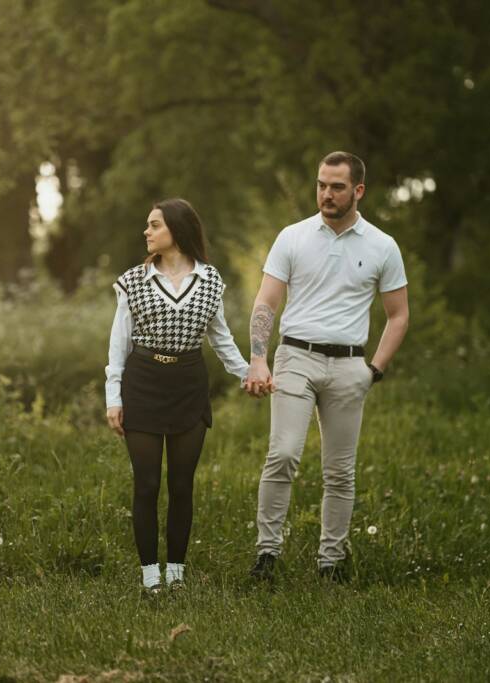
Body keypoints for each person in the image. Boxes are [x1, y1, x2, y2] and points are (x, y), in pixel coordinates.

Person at [245, 151, 409, 582]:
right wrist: (259, 358)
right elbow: (266, 302)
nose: (326, 194)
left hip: (349, 366)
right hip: (295, 356)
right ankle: (267, 556)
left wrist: (374, 369)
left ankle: (331, 562)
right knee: (282, 454)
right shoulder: (293, 237)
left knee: (340, 471)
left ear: (358, 191)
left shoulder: (382, 246)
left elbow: (399, 314)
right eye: (321, 184)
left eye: (336, 186)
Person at [105, 198, 249, 594]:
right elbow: (118, 344)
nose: (146, 232)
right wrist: (112, 397)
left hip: (188, 385)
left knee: (182, 484)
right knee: (147, 484)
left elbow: (221, 339)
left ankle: (177, 572)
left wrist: (247, 375)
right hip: (143, 383)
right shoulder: (133, 281)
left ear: (176, 229)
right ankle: (150, 573)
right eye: (147, 226)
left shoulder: (210, 281)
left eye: (154, 225)